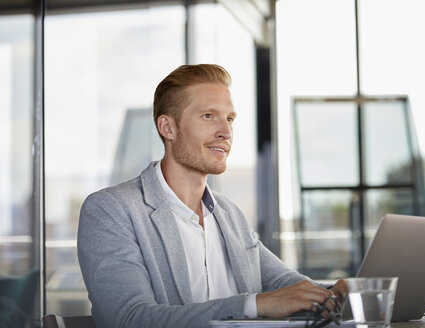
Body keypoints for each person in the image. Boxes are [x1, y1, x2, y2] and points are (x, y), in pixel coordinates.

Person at [78, 64, 347, 328]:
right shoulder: (110, 210)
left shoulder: (229, 214)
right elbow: (128, 320)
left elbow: (284, 286)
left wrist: (342, 292)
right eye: (209, 116)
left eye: (229, 119)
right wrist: (255, 305)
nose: (226, 132)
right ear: (168, 128)